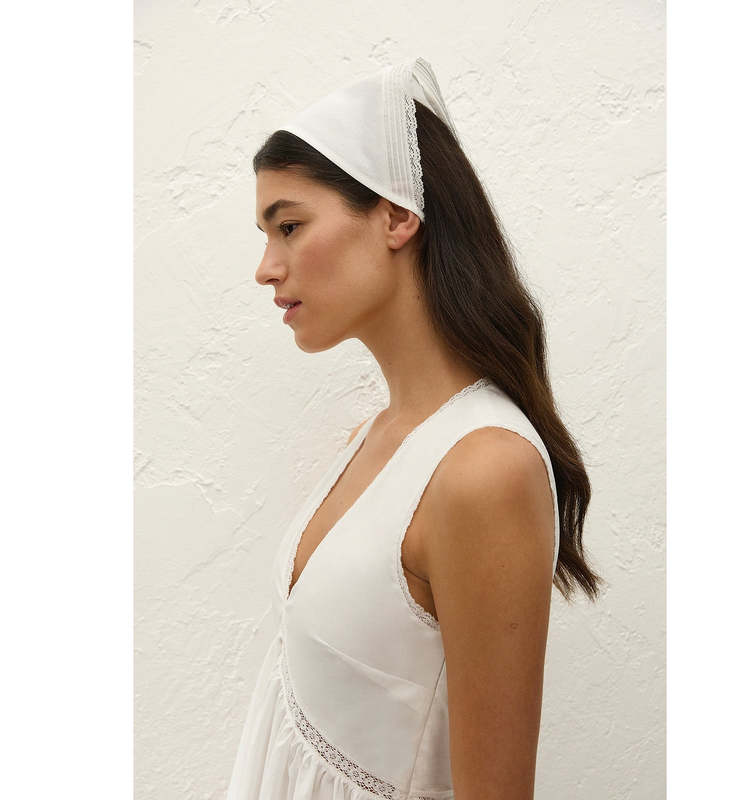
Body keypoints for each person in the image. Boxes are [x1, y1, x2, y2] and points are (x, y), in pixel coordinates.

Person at [227, 57, 602, 800]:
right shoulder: (372, 441)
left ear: (398, 215)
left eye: (290, 227)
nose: (267, 268)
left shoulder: (484, 468)